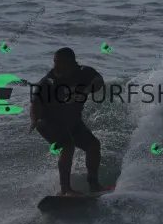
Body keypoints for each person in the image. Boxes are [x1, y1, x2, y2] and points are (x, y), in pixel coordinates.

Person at [29, 48, 114, 196]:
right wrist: (34, 119)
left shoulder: (84, 73)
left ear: (70, 63)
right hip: (49, 122)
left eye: (59, 62)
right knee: (67, 147)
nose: (55, 66)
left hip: (73, 121)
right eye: (55, 62)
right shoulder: (48, 81)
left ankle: (94, 185)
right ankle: (66, 190)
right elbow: (36, 103)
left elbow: (99, 81)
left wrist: (86, 90)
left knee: (93, 146)